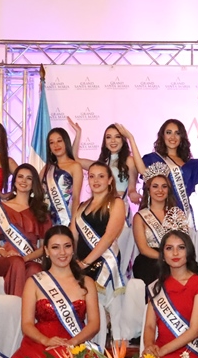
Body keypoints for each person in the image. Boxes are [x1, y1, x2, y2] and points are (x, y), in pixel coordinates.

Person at [8, 226, 101, 358]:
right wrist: (45, 340)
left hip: (76, 344)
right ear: (46, 250)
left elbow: (94, 324)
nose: (62, 253)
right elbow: (26, 325)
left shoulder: (87, 282)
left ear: (73, 248)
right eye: (55, 247)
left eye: (67, 246)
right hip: (40, 345)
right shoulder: (34, 282)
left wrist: (73, 342)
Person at [142, 230, 198, 358]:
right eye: (169, 248)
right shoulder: (157, 286)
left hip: (188, 354)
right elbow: (149, 326)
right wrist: (149, 346)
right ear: (163, 255)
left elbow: (194, 330)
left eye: (181, 247)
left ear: (189, 252)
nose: (175, 253)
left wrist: (162, 351)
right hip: (159, 351)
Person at [0, 164, 50, 296]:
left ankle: (30, 312)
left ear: (33, 184)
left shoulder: (41, 211)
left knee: (36, 269)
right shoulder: (0, 208)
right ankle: (16, 310)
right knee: (16, 262)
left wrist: (26, 257)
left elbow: (44, 247)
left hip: (29, 259)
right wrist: (4, 253)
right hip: (5, 260)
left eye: (29, 178)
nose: (23, 181)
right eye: (20, 177)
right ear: (14, 181)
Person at [141, 118, 198, 228]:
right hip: (158, 215)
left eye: (177, 133)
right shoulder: (152, 158)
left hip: (182, 215)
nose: (172, 137)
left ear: (182, 137)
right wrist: (131, 139)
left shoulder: (190, 164)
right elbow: (140, 171)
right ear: (162, 135)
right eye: (168, 132)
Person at [132, 164, 190, 285]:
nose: (160, 190)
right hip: (151, 261)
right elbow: (143, 249)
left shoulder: (176, 214)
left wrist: (173, 258)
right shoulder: (140, 217)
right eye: (155, 186)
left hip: (175, 258)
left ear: (168, 190)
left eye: (164, 186)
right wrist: (165, 257)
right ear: (148, 190)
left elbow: (185, 243)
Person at [74, 162, 128, 293]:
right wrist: (73, 261)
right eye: (92, 176)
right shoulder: (82, 206)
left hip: (103, 261)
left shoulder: (117, 203)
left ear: (110, 180)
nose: (96, 180)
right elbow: (73, 237)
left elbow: (109, 236)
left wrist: (85, 263)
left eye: (101, 176)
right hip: (80, 262)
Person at [71, 122, 146, 209]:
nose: (113, 140)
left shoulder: (129, 160)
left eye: (117, 137)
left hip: (119, 207)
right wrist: (78, 133)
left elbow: (131, 188)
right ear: (105, 142)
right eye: (109, 137)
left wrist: (131, 139)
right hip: (101, 207)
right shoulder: (101, 164)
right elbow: (75, 160)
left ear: (123, 140)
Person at [42, 127, 83, 226]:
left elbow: (76, 197)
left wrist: (73, 223)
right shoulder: (47, 167)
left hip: (66, 220)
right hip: (45, 220)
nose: (56, 145)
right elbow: (37, 189)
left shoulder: (75, 166)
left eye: (59, 141)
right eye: (51, 143)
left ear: (66, 142)